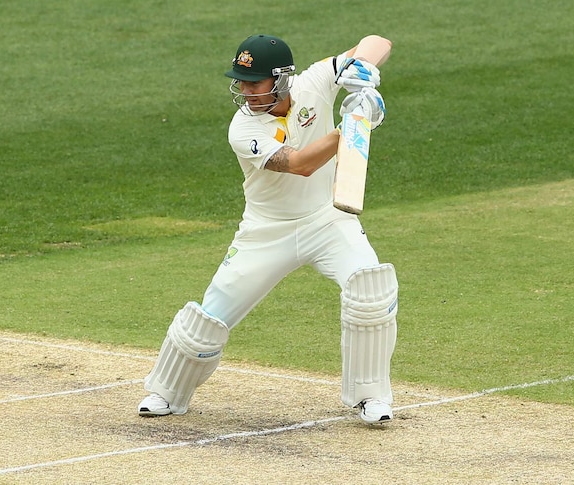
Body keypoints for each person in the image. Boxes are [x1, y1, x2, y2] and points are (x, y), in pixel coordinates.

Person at [138, 34, 398, 424]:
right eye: (241, 82)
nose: (245, 91)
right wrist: (354, 124)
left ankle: (370, 397)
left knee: (370, 289)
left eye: (253, 82)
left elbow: (377, 41)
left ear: (280, 80)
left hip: (328, 220)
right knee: (206, 322)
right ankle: (166, 391)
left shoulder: (313, 82)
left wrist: (364, 71)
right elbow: (300, 164)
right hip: (266, 231)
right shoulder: (242, 129)